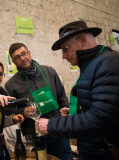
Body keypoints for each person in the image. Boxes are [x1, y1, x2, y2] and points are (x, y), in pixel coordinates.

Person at [36, 21, 119, 160]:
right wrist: (77, 112)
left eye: (65, 49)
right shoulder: (93, 63)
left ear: (82, 40)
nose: (63, 55)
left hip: (106, 152)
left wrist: (51, 124)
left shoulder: (109, 63)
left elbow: (100, 119)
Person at [5, 43, 73, 160]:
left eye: (24, 53)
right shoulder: (11, 85)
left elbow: (62, 95)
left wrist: (65, 114)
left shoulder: (49, 71)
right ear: (13, 61)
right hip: (35, 137)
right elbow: (9, 110)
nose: (22, 58)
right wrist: (23, 111)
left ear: (29, 53)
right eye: (17, 57)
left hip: (58, 131)